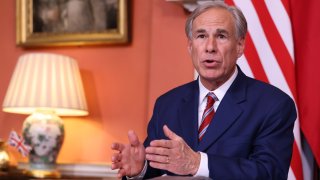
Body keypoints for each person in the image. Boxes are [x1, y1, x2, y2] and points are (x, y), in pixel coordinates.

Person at [111, 1, 296, 179]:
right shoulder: (168, 103)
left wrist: (198, 163)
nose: (210, 47)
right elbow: (158, 165)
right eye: (201, 36)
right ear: (190, 46)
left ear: (240, 46)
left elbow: (270, 173)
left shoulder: (274, 105)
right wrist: (140, 169)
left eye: (221, 36)